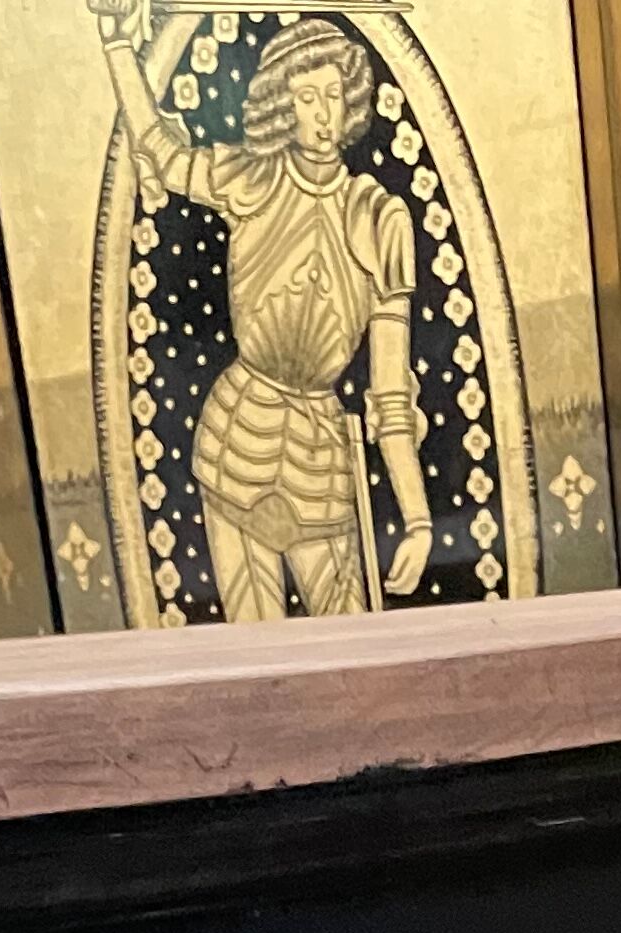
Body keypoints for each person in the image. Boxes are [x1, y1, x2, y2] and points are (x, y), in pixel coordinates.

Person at [92, 5, 436, 617]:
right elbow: (160, 149)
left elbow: (389, 397)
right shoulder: (251, 179)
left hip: (322, 463)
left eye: (333, 94)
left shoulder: (380, 218)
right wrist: (119, 44)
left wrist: (418, 520)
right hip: (233, 444)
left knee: (352, 656)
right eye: (307, 96)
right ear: (283, 103)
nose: (323, 114)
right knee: (255, 659)